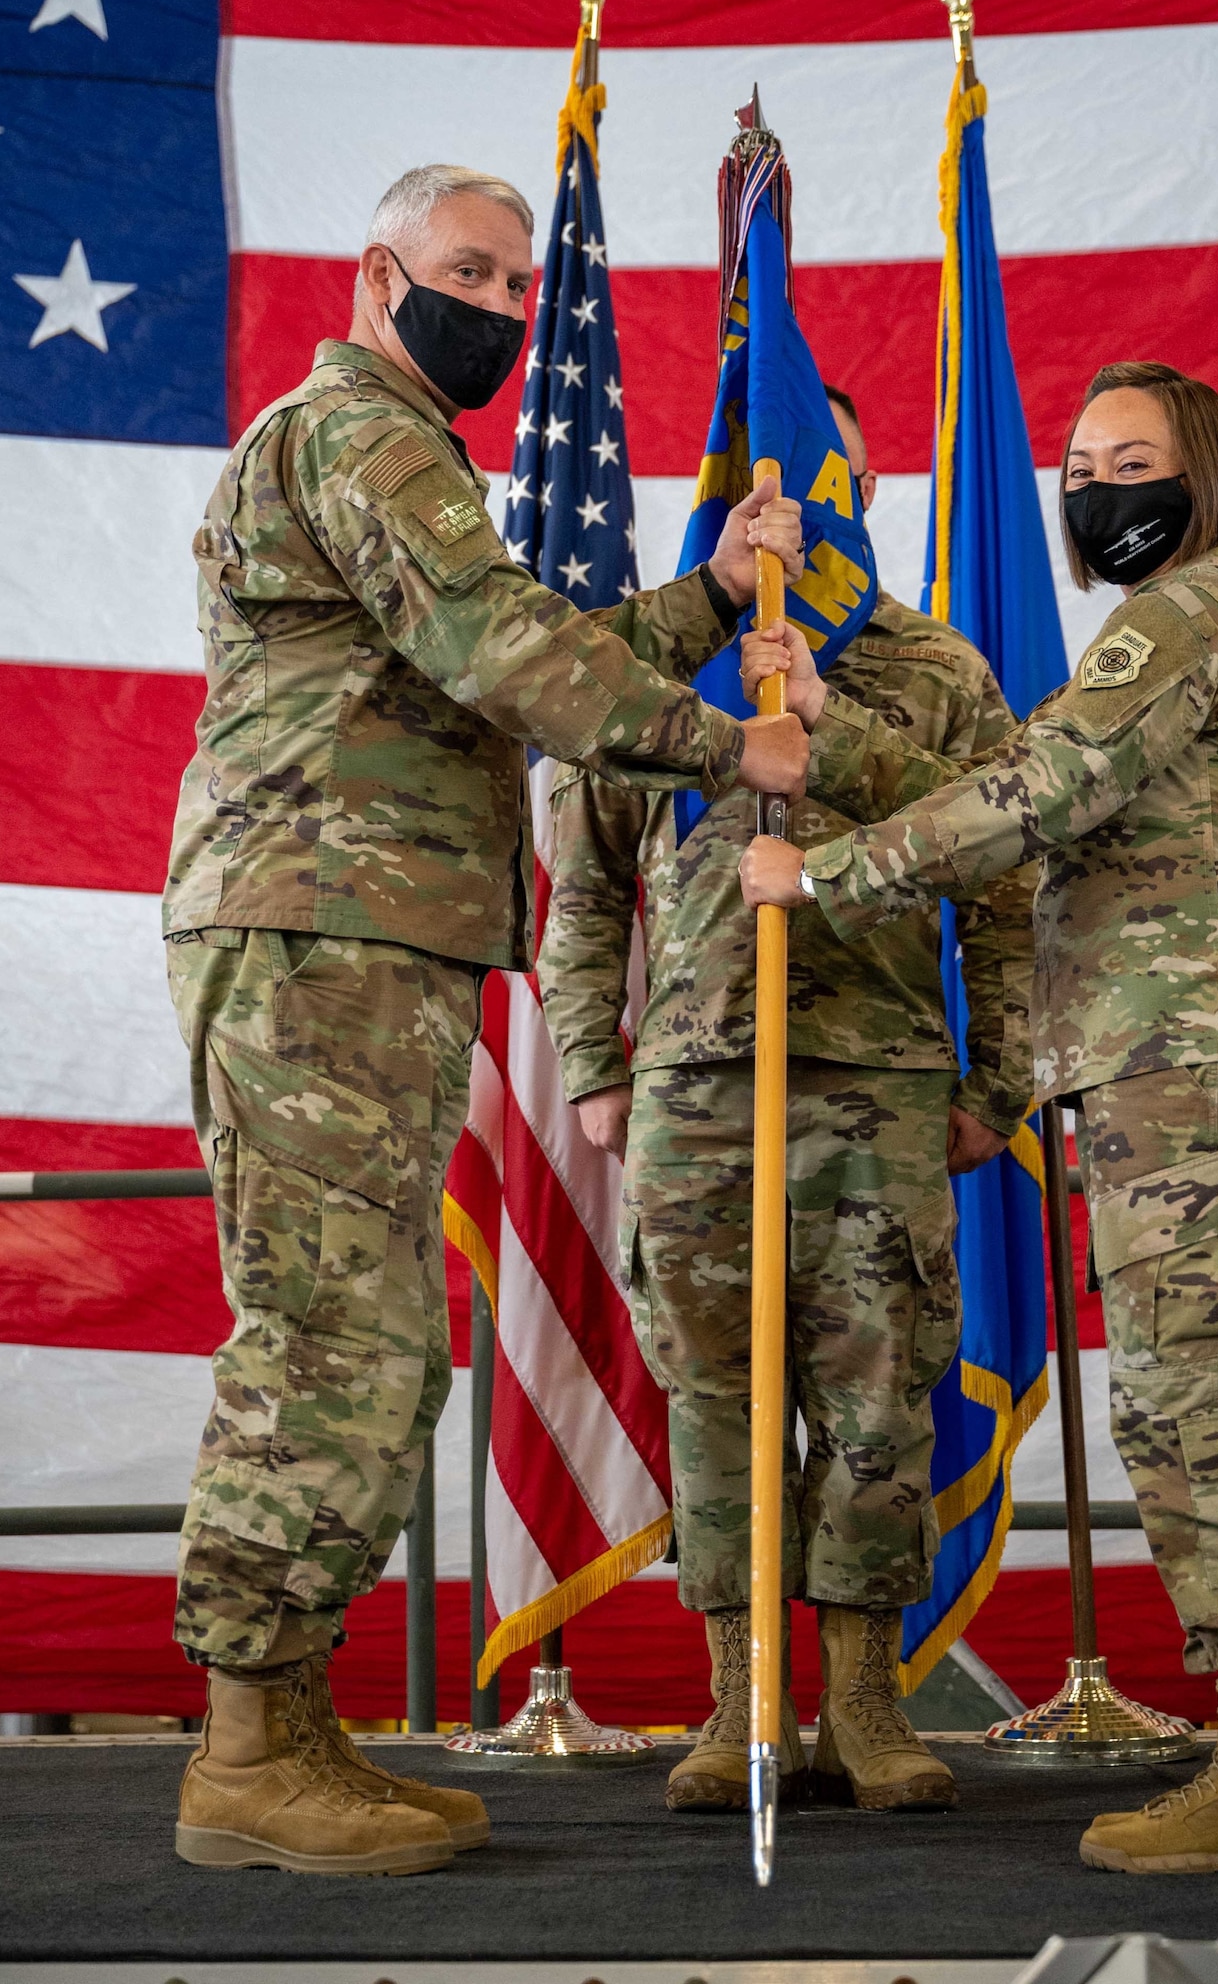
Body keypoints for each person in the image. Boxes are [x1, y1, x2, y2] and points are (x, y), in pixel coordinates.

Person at [162, 163, 808, 1878]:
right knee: (331, 1336)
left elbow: (514, 643)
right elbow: (494, 642)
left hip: (351, 929)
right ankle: (244, 1746)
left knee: (364, 1332)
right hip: (318, 925)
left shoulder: (380, 446)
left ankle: (286, 1728)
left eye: (525, 287)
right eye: (474, 273)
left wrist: (703, 605)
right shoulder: (363, 430)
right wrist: (729, 742)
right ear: (379, 274)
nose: (508, 308)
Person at [739, 361, 1218, 1875]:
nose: (1093, 483)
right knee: (1179, 1401)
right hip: (1162, 1071)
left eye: (1128, 456)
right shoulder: (1162, 641)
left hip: (1193, 1068)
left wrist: (831, 868)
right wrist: (832, 723)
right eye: (1076, 461)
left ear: (1199, 472)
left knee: (1201, 1407)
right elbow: (1036, 784)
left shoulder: (1195, 614)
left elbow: (1047, 789)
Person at [538, 387, 1036, 1814]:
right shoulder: (658, 674)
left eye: (828, 472)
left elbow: (1004, 877)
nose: (797, 504)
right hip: (693, 1094)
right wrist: (596, 1076)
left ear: (864, 484)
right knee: (717, 1401)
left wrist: (992, 1088)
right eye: (769, 478)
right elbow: (581, 898)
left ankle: (867, 1705)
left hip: (877, 1093)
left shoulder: (933, 670)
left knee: (879, 1405)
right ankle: (740, 1698)